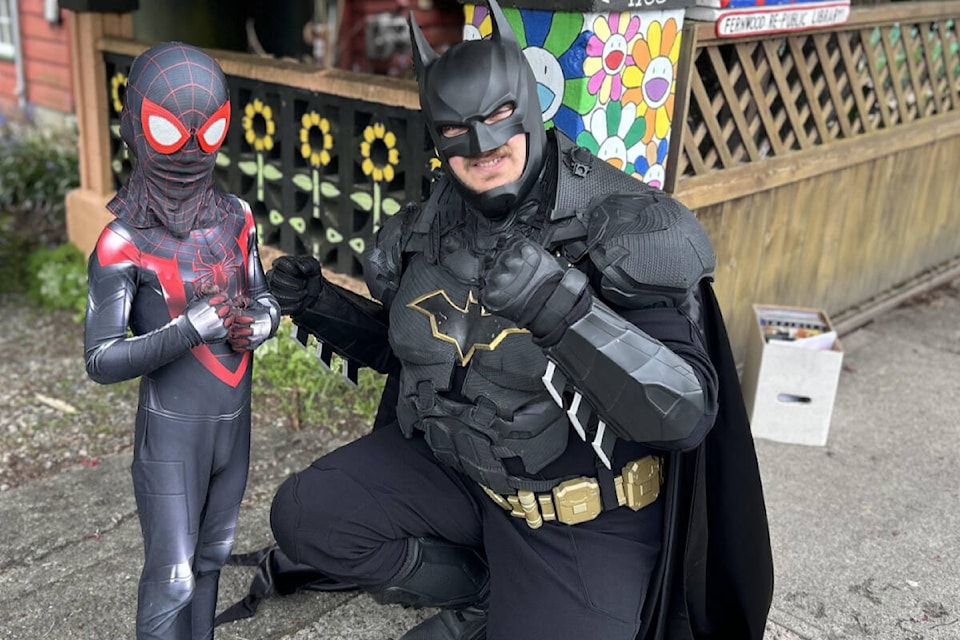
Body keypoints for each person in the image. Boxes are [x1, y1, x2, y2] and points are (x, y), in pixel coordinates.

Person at [266, 1, 773, 638]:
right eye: (457, 130)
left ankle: (520, 600)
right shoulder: (425, 229)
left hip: (578, 518)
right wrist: (319, 307)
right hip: (459, 476)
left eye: (499, 118)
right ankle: (481, 593)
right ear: (435, 131)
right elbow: (414, 356)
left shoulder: (624, 222)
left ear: (529, 107)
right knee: (309, 515)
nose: (483, 146)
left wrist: (562, 312)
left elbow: (685, 412)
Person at [83, 42, 280, 640]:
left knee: (215, 556)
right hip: (171, 431)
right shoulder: (121, 242)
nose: (194, 151)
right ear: (136, 126)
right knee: (172, 575)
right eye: (171, 132)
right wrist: (185, 331)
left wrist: (264, 323)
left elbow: (262, 295)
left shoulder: (238, 216)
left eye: (211, 129)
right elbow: (100, 358)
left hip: (232, 423)